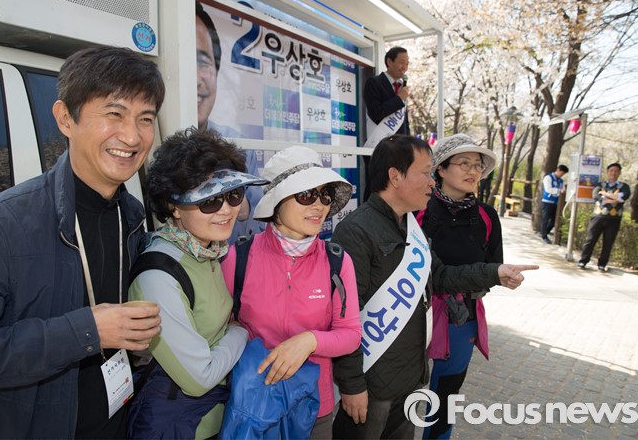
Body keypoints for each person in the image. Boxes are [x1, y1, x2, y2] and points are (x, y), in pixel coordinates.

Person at [0, 46, 165, 438]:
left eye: (145, 118)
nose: (132, 136)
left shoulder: (131, 216)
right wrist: (85, 332)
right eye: (114, 113)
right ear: (66, 118)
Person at [330, 135, 538, 440]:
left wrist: (495, 272)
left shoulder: (409, 225)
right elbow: (343, 316)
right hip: (372, 384)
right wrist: (352, 386)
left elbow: (439, 276)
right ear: (395, 176)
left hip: (407, 379)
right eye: (426, 173)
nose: (431, 182)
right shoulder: (356, 231)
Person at [127, 128, 268, 439]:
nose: (227, 209)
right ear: (173, 206)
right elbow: (199, 378)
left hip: (213, 419)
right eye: (210, 200)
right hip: (179, 427)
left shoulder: (206, 251)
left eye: (233, 194)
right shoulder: (159, 275)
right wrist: (240, 332)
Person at [220, 146, 362, 439]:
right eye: (306, 195)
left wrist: (309, 341)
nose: (319, 206)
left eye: (324, 195)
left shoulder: (337, 261)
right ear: (276, 201)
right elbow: (220, 327)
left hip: (313, 408)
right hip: (253, 405)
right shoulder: (239, 256)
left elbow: (350, 334)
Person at [417, 134, 502, 440]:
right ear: (440, 169)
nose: (473, 171)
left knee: (446, 395)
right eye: (464, 163)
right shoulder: (418, 210)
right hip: (412, 313)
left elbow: (492, 269)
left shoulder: (487, 216)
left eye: (477, 165)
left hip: (461, 316)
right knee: (399, 388)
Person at [196, 1, 263, 242]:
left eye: (202, 62)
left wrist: (242, 207)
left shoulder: (240, 148)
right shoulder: (145, 145)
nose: (196, 80)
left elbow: (257, 215)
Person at [362, 46, 411, 200]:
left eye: (407, 63)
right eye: (401, 62)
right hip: (379, 145)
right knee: (376, 187)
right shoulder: (374, 83)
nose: (404, 67)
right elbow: (376, 113)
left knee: (396, 189)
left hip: (399, 149)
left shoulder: (401, 87)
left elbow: (404, 122)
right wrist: (399, 99)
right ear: (389, 61)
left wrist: (408, 143)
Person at [577, 162, 631, 272]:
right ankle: (583, 260)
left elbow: (623, 197)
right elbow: (596, 196)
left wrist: (606, 195)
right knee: (590, 239)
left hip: (614, 218)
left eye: (616, 171)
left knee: (608, 242)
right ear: (607, 172)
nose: (613, 173)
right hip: (598, 216)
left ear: (619, 173)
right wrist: (614, 198)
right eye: (611, 171)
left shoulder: (624, 186)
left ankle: (602, 264)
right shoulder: (600, 185)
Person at [540, 164, 569, 244]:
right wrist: (559, 191)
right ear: (558, 170)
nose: (562, 175)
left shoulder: (561, 181)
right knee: (545, 219)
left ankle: (544, 232)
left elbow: (563, 189)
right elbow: (548, 189)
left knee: (554, 220)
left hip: (556, 202)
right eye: (561, 173)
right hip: (547, 201)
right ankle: (544, 235)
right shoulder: (548, 178)